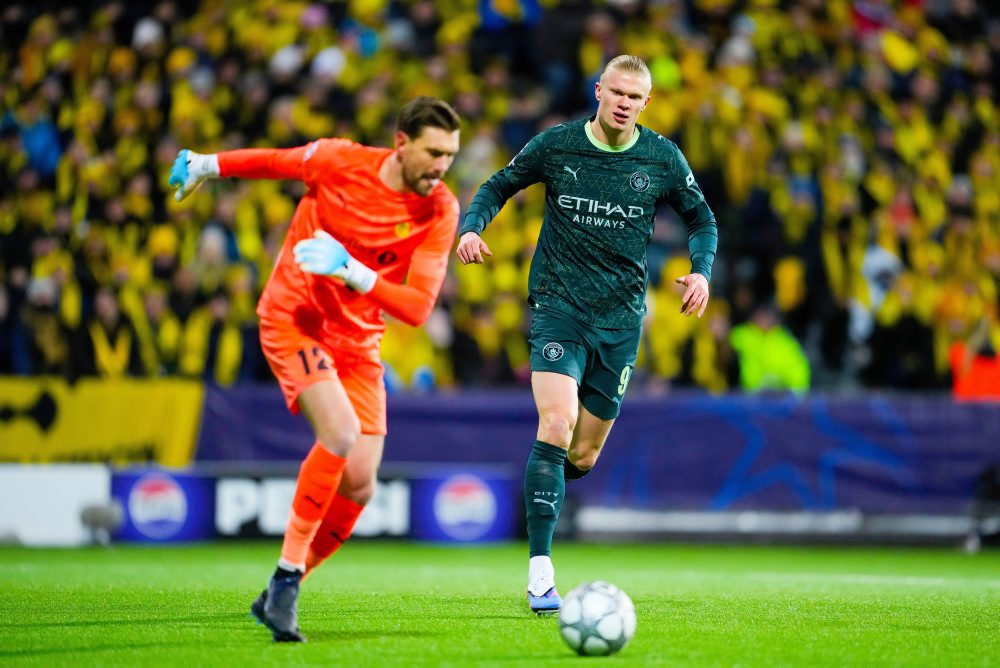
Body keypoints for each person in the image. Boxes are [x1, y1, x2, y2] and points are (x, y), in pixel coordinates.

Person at [169, 96, 461, 641]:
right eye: (434, 152)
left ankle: (285, 582)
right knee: (341, 432)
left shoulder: (440, 209)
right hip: (294, 320)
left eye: (450, 154)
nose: (443, 166)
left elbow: (419, 308)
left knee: (360, 485)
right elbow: (274, 163)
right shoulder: (339, 162)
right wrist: (206, 164)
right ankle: (285, 580)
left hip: (358, 343)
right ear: (402, 143)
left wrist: (350, 269)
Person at [456, 55, 718, 615]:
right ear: (599, 91)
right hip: (558, 308)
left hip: (621, 322)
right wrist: (472, 228)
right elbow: (500, 184)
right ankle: (540, 573)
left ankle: (541, 480)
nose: (624, 103)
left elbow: (702, 219)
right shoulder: (558, 146)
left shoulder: (662, 157)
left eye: (635, 97)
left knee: (584, 452)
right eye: (616, 92)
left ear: (646, 104)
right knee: (556, 421)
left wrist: (701, 269)